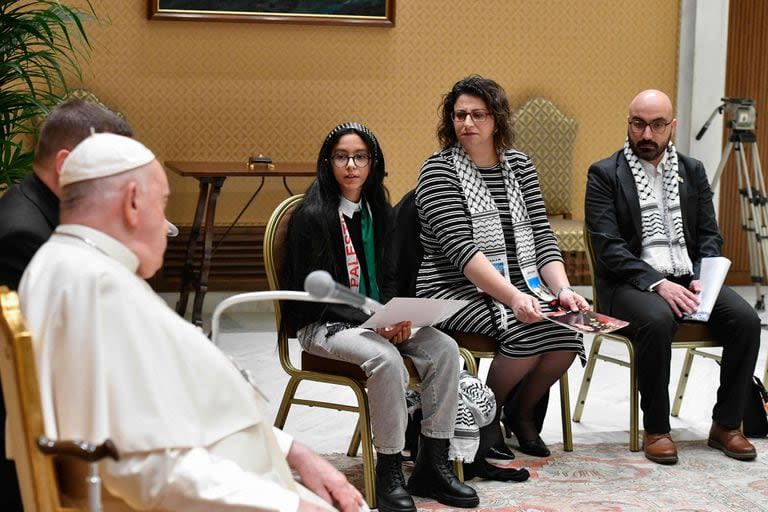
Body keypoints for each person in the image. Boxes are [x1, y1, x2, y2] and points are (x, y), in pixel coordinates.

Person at [18, 133, 366, 512]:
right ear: (133, 201)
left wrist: (294, 452)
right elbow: (145, 469)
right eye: (162, 203)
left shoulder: (61, 265)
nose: (169, 226)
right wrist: (293, 507)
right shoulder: (98, 287)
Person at [283, 122, 479, 511]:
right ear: (327, 162)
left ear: (373, 164)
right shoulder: (312, 215)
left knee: (444, 348)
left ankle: (432, 464)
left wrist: (397, 315)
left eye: (360, 157)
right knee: (386, 359)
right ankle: (389, 466)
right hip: (324, 322)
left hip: (374, 320)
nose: (351, 165)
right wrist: (374, 320)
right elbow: (313, 290)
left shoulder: (379, 212)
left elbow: (390, 276)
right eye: (342, 156)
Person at [415, 76, 589, 460]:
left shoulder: (520, 166)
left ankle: (521, 412)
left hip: (520, 285)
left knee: (569, 333)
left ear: (497, 119)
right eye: (459, 115)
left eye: (478, 114)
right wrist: (514, 298)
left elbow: (543, 238)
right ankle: (487, 420)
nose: (467, 123)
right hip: (452, 290)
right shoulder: (438, 171)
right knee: (525, 332)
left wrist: (561, 290)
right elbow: (462, 253)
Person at [584, 89, 759, 464]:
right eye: (638, 124)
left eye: (657, 125)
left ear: (672, 127)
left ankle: (726, 425)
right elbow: (607, 247)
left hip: (685, 278)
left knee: (746, 320)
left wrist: (703, 276)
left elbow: (709, 235)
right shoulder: (604, 174)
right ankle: (657, 429)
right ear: (628, 124)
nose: (647, 134)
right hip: (627, 284)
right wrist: (658, 283)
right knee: (657, 319)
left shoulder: (692, 171)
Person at [0, 98, 132, 512]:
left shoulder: (37, 211)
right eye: (107, 171)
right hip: (21, 447)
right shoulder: (24, 236)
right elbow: (53, 363)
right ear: (66, 163)